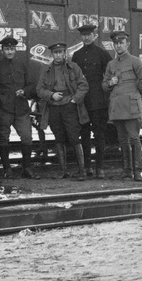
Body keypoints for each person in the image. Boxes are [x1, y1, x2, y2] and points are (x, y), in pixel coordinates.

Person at [103, 31, 142, 181]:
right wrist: (109, 83)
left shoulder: (135, 61)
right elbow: (104, 85)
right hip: (117, 107)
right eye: (116, 43)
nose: (118, 46)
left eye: (121, 43)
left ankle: (137, 171)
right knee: (122, 140)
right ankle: (127, 170)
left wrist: (134, 93)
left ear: (127, 44)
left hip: (131, 106)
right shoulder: (111, 64)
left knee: (134, 138)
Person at [36, 42, 89, 179]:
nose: (58, 55)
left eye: (60, 52)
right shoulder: (46, 70)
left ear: (65, 53)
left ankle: (82, 171)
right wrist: (51, 95)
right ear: (52, 54)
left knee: (74, 138)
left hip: (69, 107)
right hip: (54, 107)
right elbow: (39, 89)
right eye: (55, 53)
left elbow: (83, 85)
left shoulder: (73, 67)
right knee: (58, 138)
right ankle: (63, 171)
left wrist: (74, 100)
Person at [71, 23, 112, 179]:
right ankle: (87, 167)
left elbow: (109, 74)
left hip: (98, 102)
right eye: (83, 35)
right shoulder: (77, 55)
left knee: (99, 135)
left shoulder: (102, 53)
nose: (86, 37)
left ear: (94, 35)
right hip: (83, 102)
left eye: (89, 35)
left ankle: (99, 168)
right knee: (84, 135)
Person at [0, 36, 36, 179]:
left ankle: (27, 168)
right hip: (4, 108)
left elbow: (30, 84)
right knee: (3, 138)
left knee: (27, 137)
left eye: (12, 49)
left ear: (15, 50)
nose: (9, 52)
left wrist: (24, 91)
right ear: (2, 51)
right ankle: (7, 169)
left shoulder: (22, 65)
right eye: (7, 49)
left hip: (21, 107)